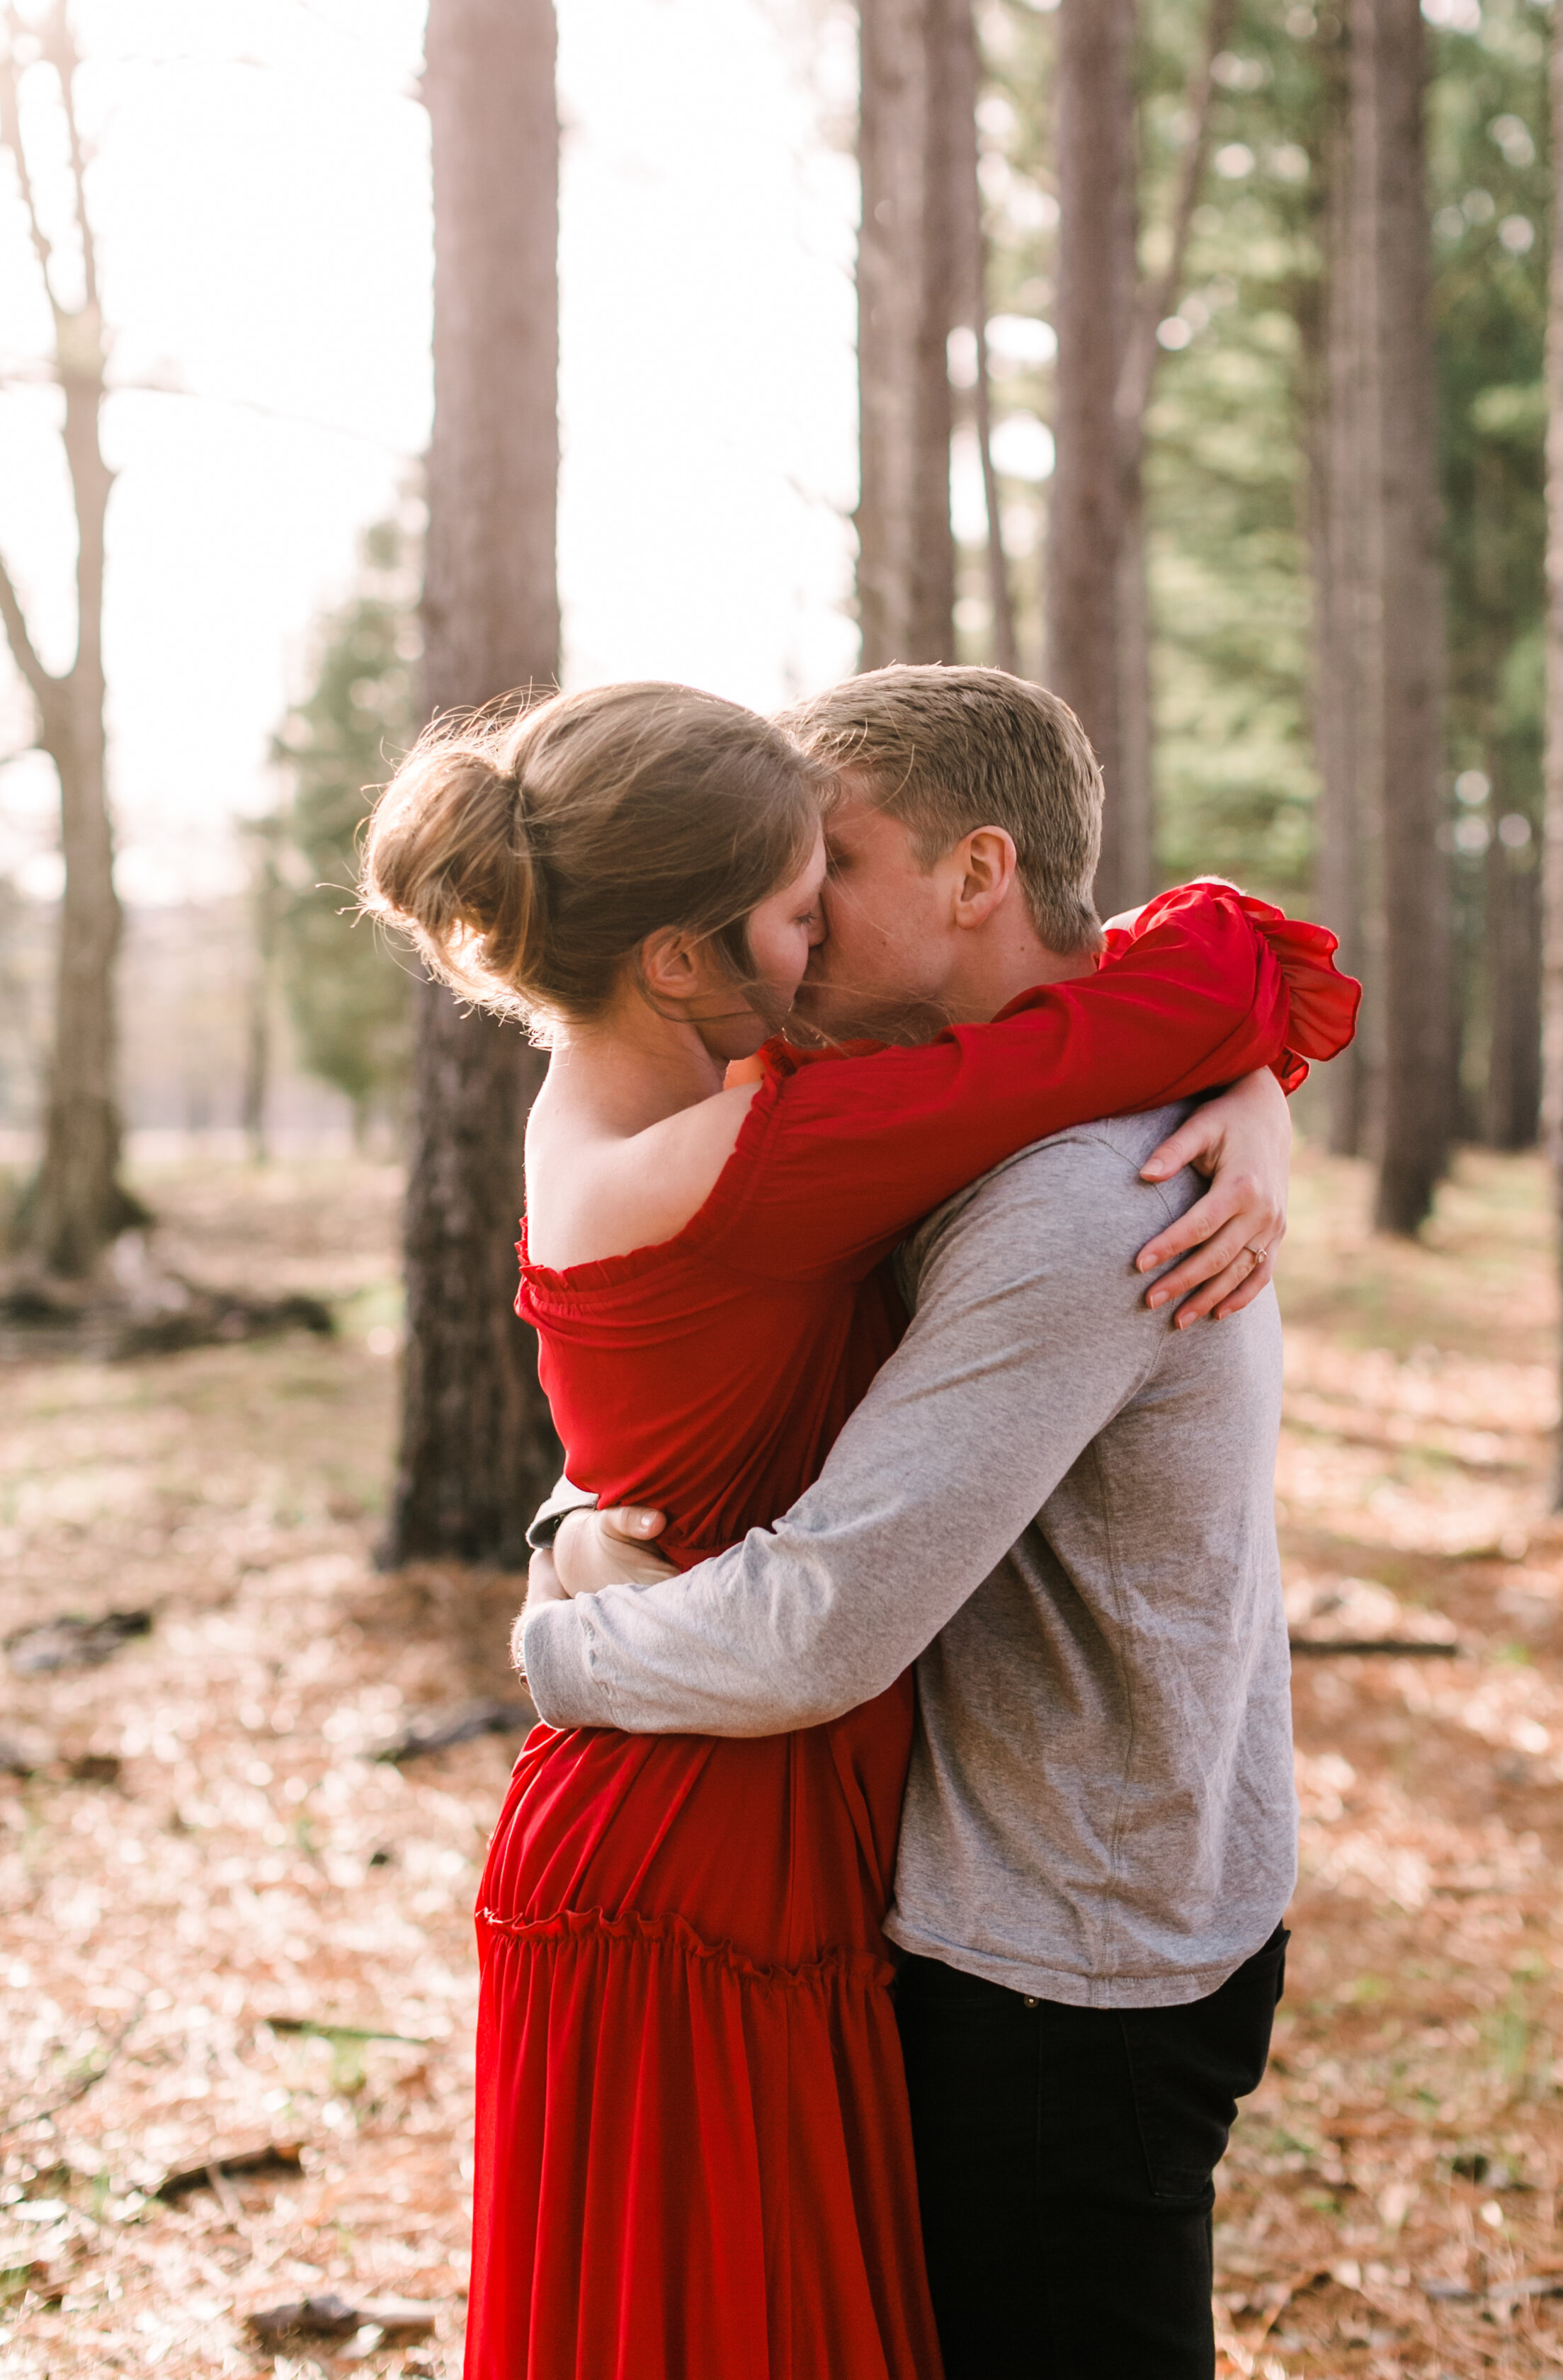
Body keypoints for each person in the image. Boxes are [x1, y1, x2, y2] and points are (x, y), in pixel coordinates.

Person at [363, 670, 1355, 2380]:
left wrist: (559, 1627)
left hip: (1039, 1932)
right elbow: (1162, 988)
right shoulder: (787, 1126)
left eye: (831, 869)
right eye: (783, 895)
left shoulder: (1060, 1186)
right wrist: (1246, 1041)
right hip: (764, 1841)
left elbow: (788, 1550)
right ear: (681, 954)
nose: (805, 931)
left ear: (973, 876)